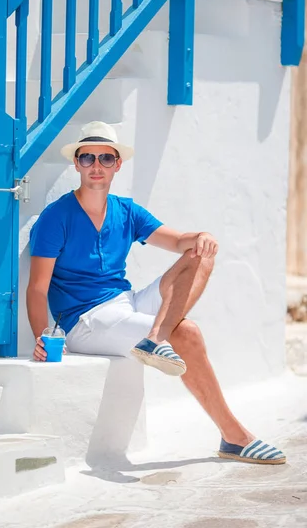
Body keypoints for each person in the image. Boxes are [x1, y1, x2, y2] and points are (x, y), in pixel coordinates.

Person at [27, 121, 286, 465]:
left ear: (118, 164)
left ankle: (156, 338)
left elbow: (178, 241)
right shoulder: (56, 216)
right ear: (76, 163)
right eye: (87, 158)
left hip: (124, 303)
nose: (96, 166)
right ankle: (235, 437)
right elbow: (37, 287)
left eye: (106, 158)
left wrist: (201, 236)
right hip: (86, 321)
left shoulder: (127, 211)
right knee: (188, 333)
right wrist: (41, 336)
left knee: (200, 256)